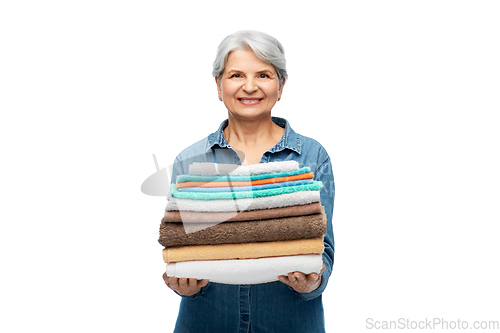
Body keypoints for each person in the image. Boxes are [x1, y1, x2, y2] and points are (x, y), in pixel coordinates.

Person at [162, 30, 335, 333]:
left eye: (264, 75)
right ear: (218, 85)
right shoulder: (191, 161)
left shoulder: (311, 156)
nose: (250, 87)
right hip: (206, 322)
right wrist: (184, 286)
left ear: (280, 86)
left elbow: (323, 246)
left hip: (290, 324)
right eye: (237, 75)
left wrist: (313, 281)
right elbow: (183, 247)